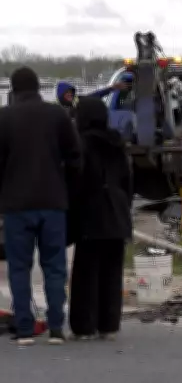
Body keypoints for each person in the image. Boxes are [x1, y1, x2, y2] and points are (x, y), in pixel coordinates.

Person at [0, 67, 82, 346]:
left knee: (19, 268)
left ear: (13, 89)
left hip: (16, 206)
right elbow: (75, 157)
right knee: (55, 267)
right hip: (53, 203)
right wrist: (66, 189)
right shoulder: (57, 115)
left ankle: (24, 329)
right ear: (37, 88)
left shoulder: (4, 118)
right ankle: (57, 328)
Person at [67, 97, 133, 341]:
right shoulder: (117, 144)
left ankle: (84, 326)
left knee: (87, 272)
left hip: (92, 213)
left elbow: (76, 181)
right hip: (118, 213)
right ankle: (109, 325)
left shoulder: (82, 144)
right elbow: (127, 182)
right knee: (112, 273)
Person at [55, 79, 128, 117]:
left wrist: (111, 88)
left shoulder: (78, 101)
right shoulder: (57, 110)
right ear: (61, 96)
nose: (70, 94)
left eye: (71, 92)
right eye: (67, 93)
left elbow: (95, 95)